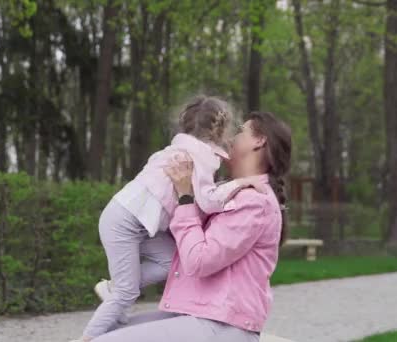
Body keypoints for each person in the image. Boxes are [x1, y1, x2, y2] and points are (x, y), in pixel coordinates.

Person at [73, 97, 267, 341]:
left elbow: (195, 195)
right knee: (127, 291)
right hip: (124, 222)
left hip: (139, 223)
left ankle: (114, 289)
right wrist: (239, 184)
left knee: (173, 263)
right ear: (220, 130)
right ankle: (88, 338)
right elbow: (206, 201)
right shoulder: (200, 157)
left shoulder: (178, 150)